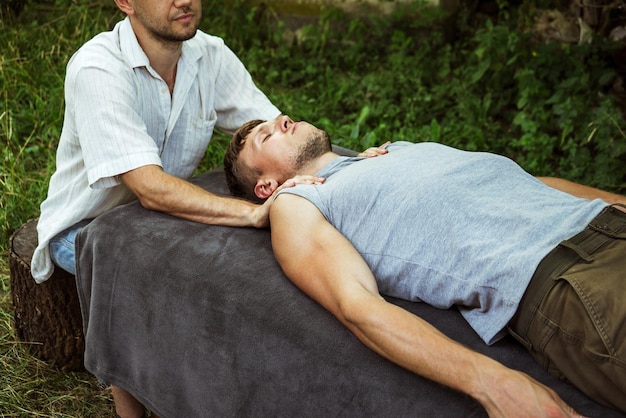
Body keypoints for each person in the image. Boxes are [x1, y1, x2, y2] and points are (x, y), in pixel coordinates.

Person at [28, 1, 330, 417]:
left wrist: (339, 164)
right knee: (143, 272)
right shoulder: (98, 68)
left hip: (158, 218)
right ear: (126, 3)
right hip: (87, 226)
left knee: (233, 279)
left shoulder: (210, 55)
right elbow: (149, 188)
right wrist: (252, 213)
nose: (184, 0)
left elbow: (276, 130)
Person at [223, 114, 626, 417]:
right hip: (569, 280)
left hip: (608, 225)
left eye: (279, 120)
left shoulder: (393, 151)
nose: (283, 120)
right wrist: (495, 385)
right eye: (267, 135)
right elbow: (358, 307)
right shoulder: (299, 206)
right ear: (266, 187)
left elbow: (527, 182)